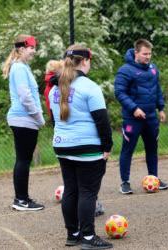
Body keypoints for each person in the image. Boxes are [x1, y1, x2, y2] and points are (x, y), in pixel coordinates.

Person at [50, 44, 113, 249]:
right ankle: (88, 237)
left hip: (62, 146)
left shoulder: (55, 88)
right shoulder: (90, 87)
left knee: (71, 190)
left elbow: (54, 118)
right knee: (87, 192)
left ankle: (73, 234)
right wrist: (107, 146)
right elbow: (102, 121)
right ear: (85, 61)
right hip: (86, 148)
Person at [114, 38, 168, 194]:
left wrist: (161, 108)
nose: (148, 57)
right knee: (127, 150)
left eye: (150, 54)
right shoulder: (125, 70)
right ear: (136, 52)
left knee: (152, 148)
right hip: (133, 119)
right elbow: (119, 92)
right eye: (145, 54)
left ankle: (154, 178)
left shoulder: (153, 69)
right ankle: (125, 182)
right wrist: (134, 108)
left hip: (151, 118)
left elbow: (157, 89)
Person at [3, 34, 45, 211]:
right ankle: (21, 200)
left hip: (24, 120)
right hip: (24, 118)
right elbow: (25, 96)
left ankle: (22, 198)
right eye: (31, 48)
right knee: (23, 160)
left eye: (34, 48)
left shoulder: (22, 67)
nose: (34, 52)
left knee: (23, 159)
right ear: (21, 49)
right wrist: (38, 117)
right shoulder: (19, 68)